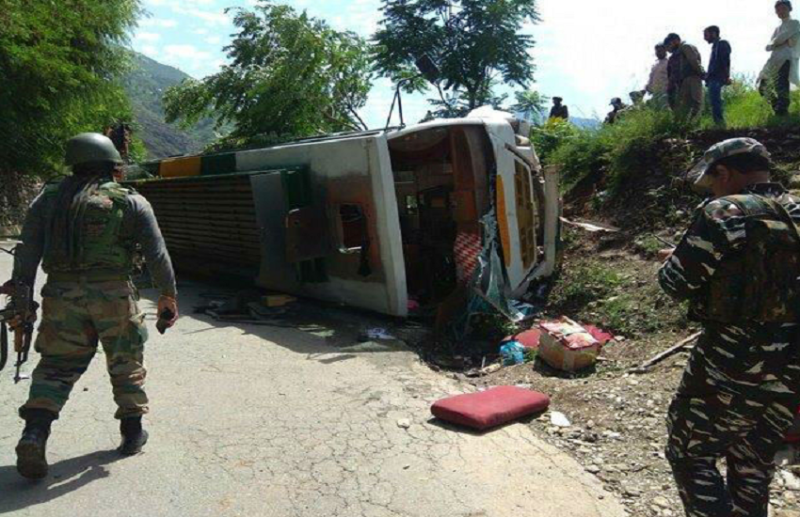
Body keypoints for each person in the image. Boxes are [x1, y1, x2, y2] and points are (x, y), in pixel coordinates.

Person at [9, 133, 179, 480]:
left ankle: (34, 434)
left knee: (56, 366)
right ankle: (132, 434)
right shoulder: (131, 201)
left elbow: (27, 251)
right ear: (112, 165)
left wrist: (21, 300)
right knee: (125, 361)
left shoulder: (47, 200)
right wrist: (167, 295)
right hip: (114, 296)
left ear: (73, 164)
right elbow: (157, 253)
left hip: (61, 296)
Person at [659, 137, 800, 517]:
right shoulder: (797, 209)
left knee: (689, 452)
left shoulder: (724, 212)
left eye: (713, 181)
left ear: (724, 172)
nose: (713, 190)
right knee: (754, 458)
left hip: (732, 360)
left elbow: (675, 283)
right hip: (792, 366)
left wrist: (675, 258)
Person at [758, 1, 800, 116]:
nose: (780, 11)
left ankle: (782, 111)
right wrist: (779, 42)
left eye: (783, 8)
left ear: (789, 9)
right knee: (762, 85)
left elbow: (782, 40)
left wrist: (777, 43)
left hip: (786, 58)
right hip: (774, 59)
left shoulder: (794, 23)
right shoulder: (777, 28)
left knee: (781, 85)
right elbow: (768, 47)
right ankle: (776, 106)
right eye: (778, 9)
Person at [665, 33, 705, 118]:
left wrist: (702, 73)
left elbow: (694, 61)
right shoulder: (676, 53)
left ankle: (695, 122)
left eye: (669, 44)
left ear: (676, 40)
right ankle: (685, 123)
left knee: (696, 101)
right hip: (683, 81)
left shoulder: (686, 47)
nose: (668, 49)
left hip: (693, 77)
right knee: (684, 105)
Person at [704, 26, 732, 125]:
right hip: (714, 77)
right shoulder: (715, 46)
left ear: (714, 33)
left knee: (715, 101)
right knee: (713, 100)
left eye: (706, 35)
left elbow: (725, 61)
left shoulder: (722, 44)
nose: (705, 38)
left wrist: (726, 76)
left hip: (717, 77)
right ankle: (718, 123)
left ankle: (720, 123)